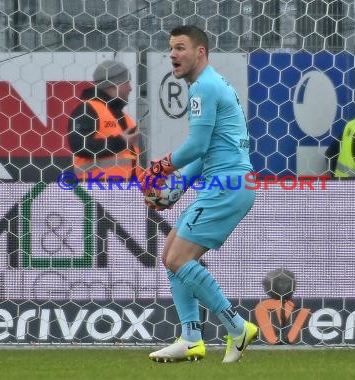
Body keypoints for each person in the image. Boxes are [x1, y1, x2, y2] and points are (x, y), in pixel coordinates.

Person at [140, 25, 258, 363]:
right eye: (171, 49)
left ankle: (236, 327)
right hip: (228, 183)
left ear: (200, 52)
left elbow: (197, 146)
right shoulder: (212, 84)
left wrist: (160, 168)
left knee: (178, 259)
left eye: (180, 48)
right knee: (170, 256)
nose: (173, 55)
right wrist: (176, 188)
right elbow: (209, 153)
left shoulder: (203, 88)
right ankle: (191, 338)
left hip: (228, 185)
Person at [67, 60, 142, 181]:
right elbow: (80, 146)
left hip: (126, 190)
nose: (130, 88)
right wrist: (120, 141)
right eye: (127, 82)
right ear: (114, 85)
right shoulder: (87, 110)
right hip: (95, 190)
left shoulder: (124, 118)